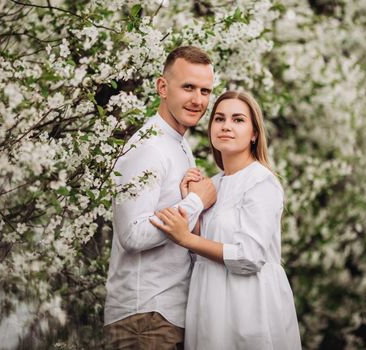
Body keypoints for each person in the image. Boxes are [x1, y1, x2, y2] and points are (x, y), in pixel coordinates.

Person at [151, 91, 302, 350]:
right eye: (219, 119)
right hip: (209, 302)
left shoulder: (261, 181)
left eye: (238, 120)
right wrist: (191, 203)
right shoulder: (214, 184)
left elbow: (249, 256)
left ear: (254, 133)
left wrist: (187, 238)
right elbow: (205, 249)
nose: (226, 126)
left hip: (249, 304)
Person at [103, 46, 217, 349]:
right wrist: (195, 202)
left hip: (168, 315)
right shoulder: (148, 146)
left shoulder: (179, 145)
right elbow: (132, 234)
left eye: (205, 90)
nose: (198, 100)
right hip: (144, 318)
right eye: (188, 87)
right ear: (162, 87)